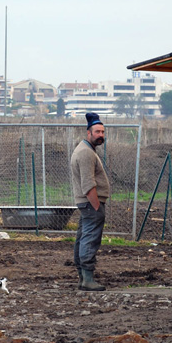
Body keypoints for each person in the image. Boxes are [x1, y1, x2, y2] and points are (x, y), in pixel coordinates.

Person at [70, 112, 111, 291]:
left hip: (86, 203)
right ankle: (87, 279)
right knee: (90, 239)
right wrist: (96, 206)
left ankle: (82, 278)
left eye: (102, 132)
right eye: (97, 132)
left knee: (83, 237)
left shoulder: (85, 149)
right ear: (88, 133)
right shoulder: (86, 153)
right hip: (90, 203)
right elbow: (88, 184)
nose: (101, 135)